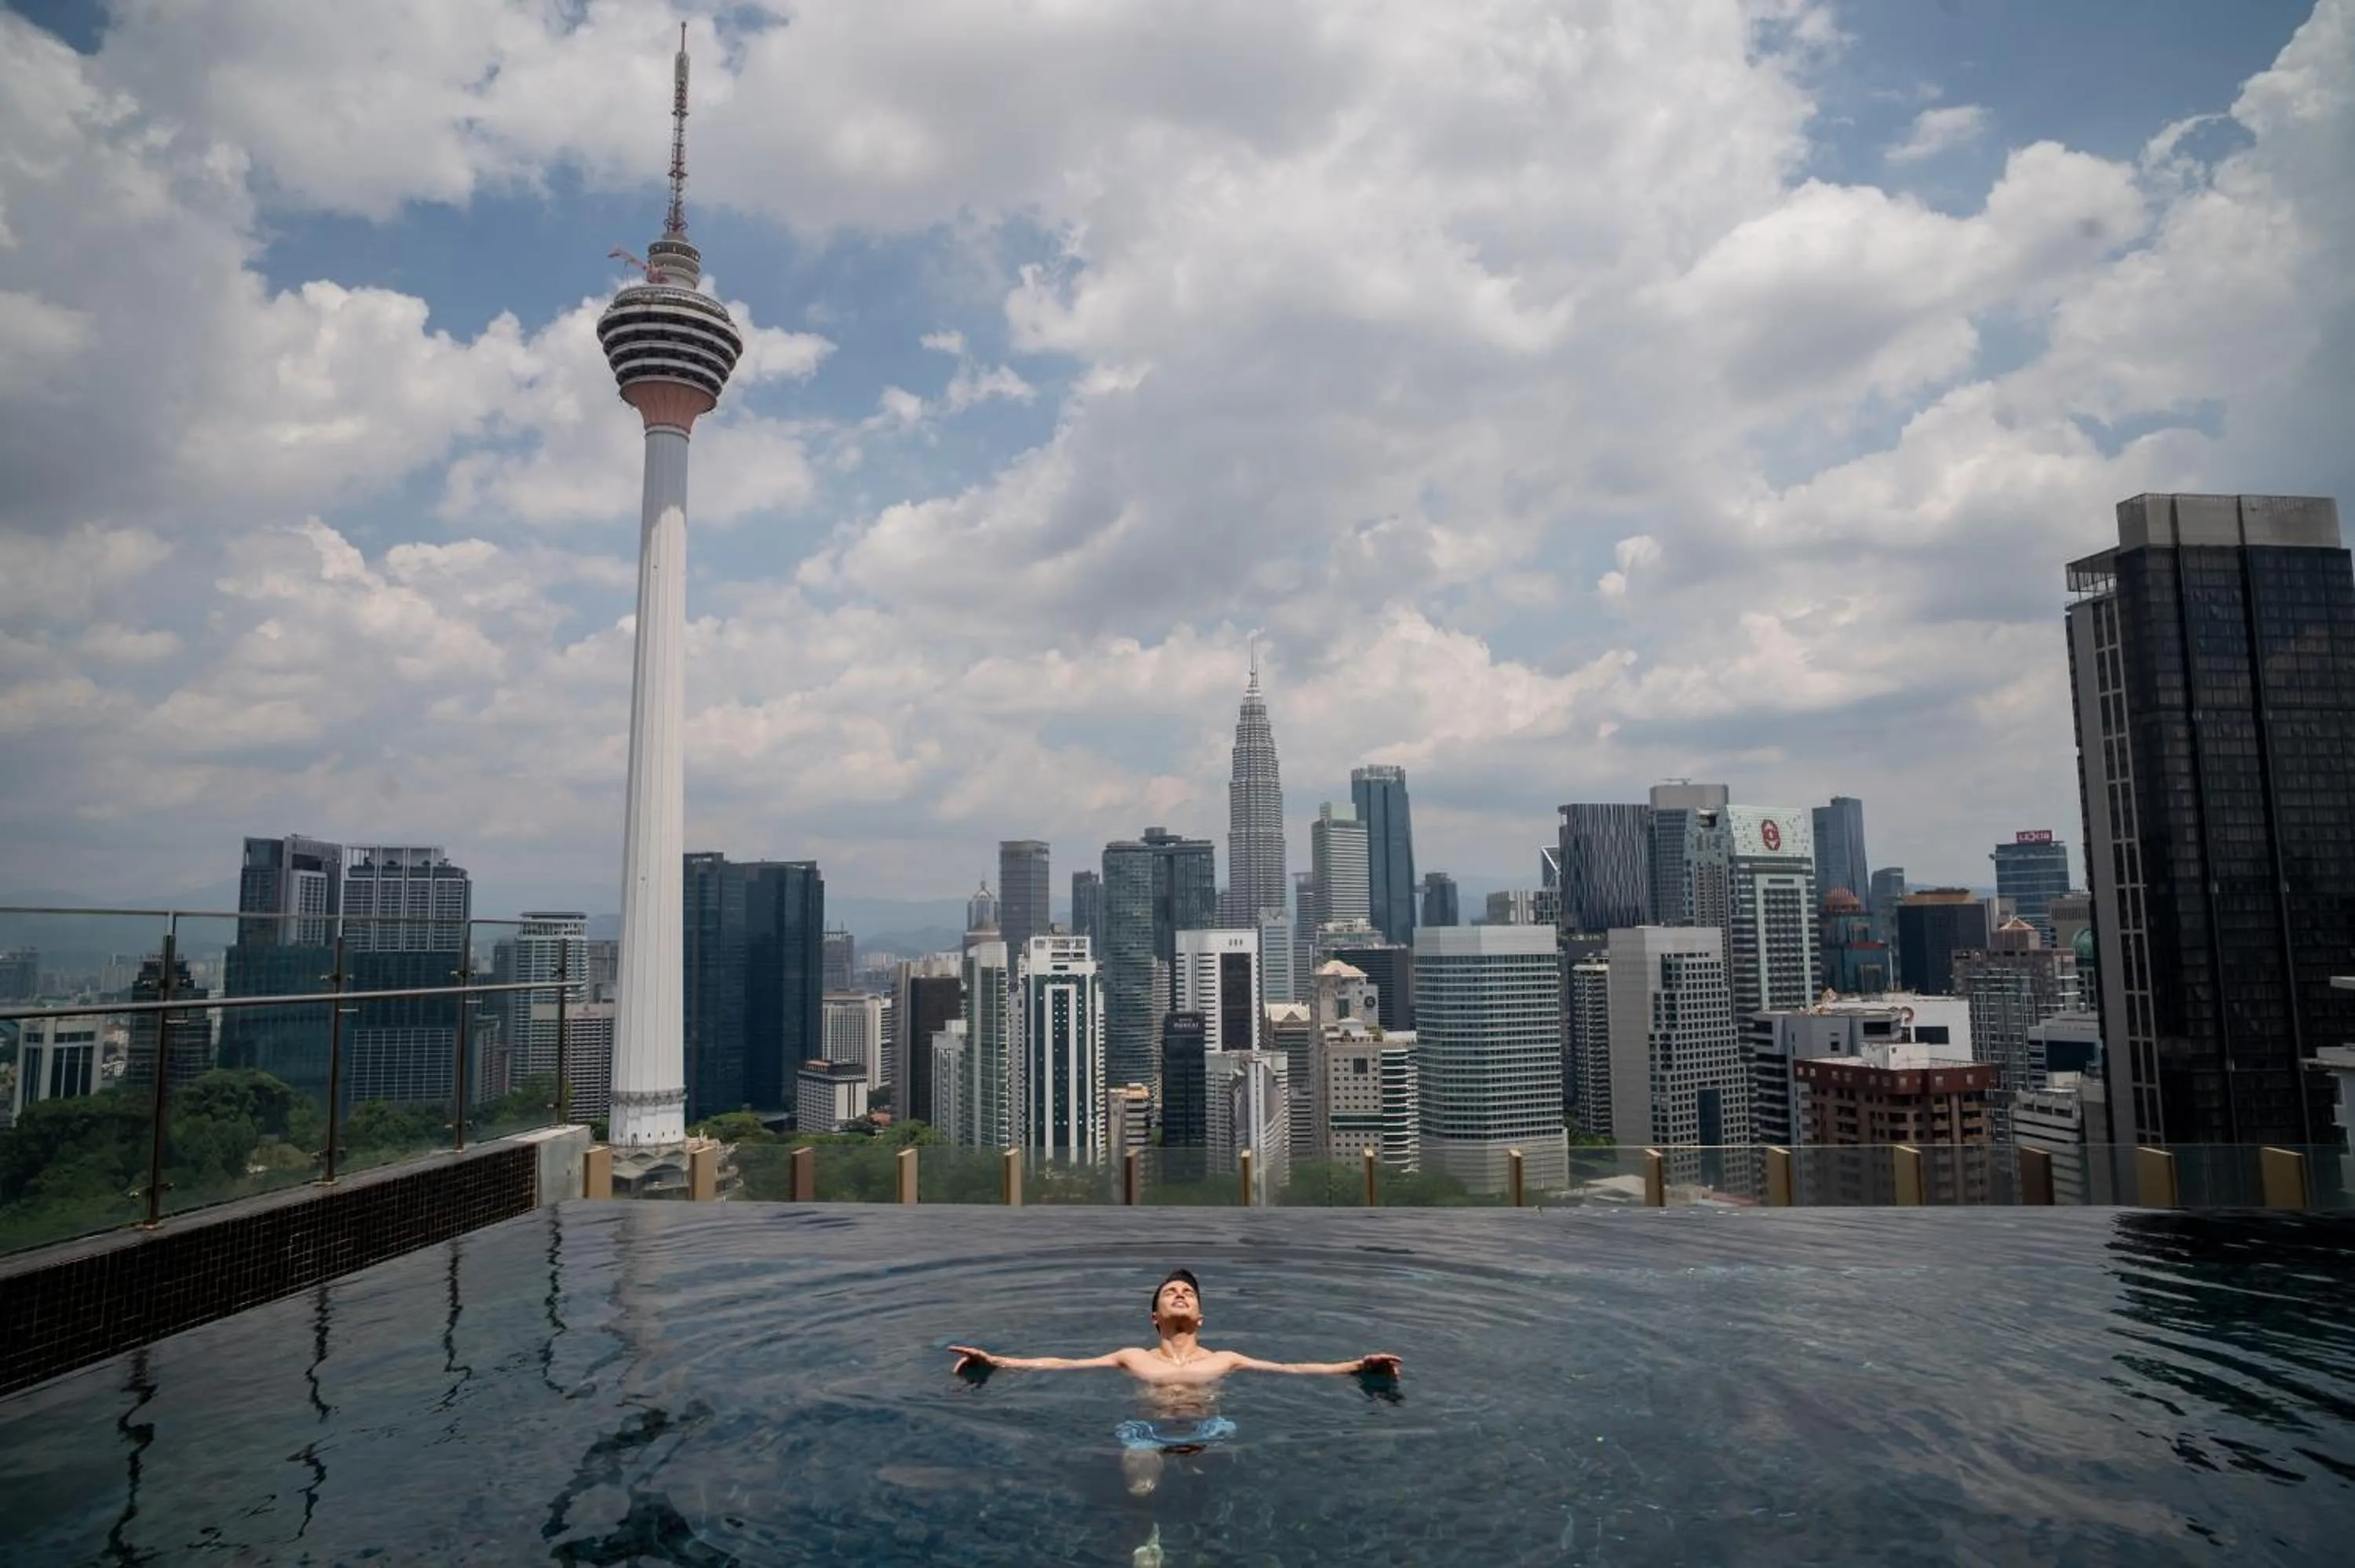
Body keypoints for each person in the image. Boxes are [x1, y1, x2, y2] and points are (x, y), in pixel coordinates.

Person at [948, 1268, 1400, 1496]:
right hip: (1148, 1431)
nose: (1180, 1294)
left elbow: (1294, 1370)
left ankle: (1202, 1497)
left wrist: (1357, 1366)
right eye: (1170, 1292)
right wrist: (996, 1361)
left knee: (1219, 1467)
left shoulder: (1225, 1359)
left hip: (1211, 1431)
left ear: (1201, 1316)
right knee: (1140, 1478)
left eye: (1188, 1293)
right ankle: (1149, 1525)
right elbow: (1061, 1364)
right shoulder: (1132, 1357)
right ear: (1154, 1317)